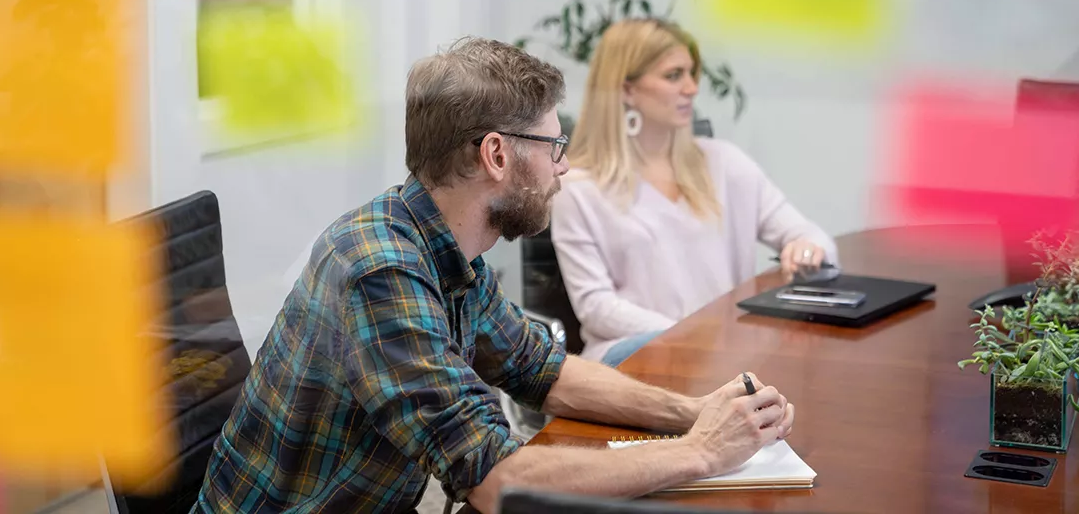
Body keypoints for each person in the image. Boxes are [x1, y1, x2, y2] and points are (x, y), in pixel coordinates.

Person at [192, 37, 795, 514]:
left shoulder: (443, 247)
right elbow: (496, 482)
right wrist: (700, 452)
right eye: (555, 146)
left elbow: (543, 370)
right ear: (497, 155)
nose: (565, 167)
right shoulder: (382, 272)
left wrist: (691, 412)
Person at [551, 19, 838, 366]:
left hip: (725, 355)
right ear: (626, 90)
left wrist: (807, 248)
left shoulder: (725, 162)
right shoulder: (578, 189)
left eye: (691, 73)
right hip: (636, 354)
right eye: (673, 76)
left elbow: (810, 236)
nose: (691, 88)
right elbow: (597, 309)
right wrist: (695, 335)